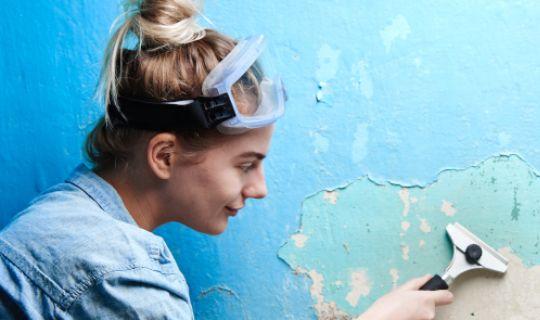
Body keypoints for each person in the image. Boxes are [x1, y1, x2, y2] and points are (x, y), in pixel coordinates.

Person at [0, 0, 452, 319]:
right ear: (164, 155)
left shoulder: (63, 214)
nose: (260, 189)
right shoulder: (123, 277)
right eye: (245, 164)